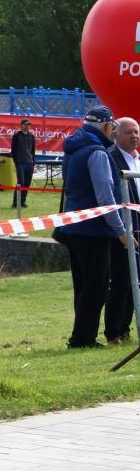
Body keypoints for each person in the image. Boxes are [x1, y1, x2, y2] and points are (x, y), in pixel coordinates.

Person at [53, 105, 126, 349]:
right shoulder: (97, 153)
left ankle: (82, 335)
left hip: (73, 226)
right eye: (112, 126)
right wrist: (120, 231)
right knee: (97, 286)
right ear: (106, 126)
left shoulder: (74, 148)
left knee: (83, 285)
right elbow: (105, 197)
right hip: (93, 229)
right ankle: (82, 338)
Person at [104, 117, 140, 345]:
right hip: (124, 229)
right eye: (129, 132)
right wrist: (123, 230)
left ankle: (125, 329)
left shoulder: (138, 160)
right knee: (122, 281)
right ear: (115, 135)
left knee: (135, 282)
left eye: (136, 132)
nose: (134, 136)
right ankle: (113, 332)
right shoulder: (111, 159)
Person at [11, 118, 36, 208]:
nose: (27, 126)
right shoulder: (17, 136)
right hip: (20, 163)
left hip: (29, 163)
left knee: (27, 183)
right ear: (21, 125)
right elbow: (13, 150)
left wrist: (33, 162)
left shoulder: (31, 136)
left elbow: (33, 151)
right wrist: (16, 162)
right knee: (20, 182)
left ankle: (22, 202)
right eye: (25, 124)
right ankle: (15, 202)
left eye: (28, 125)